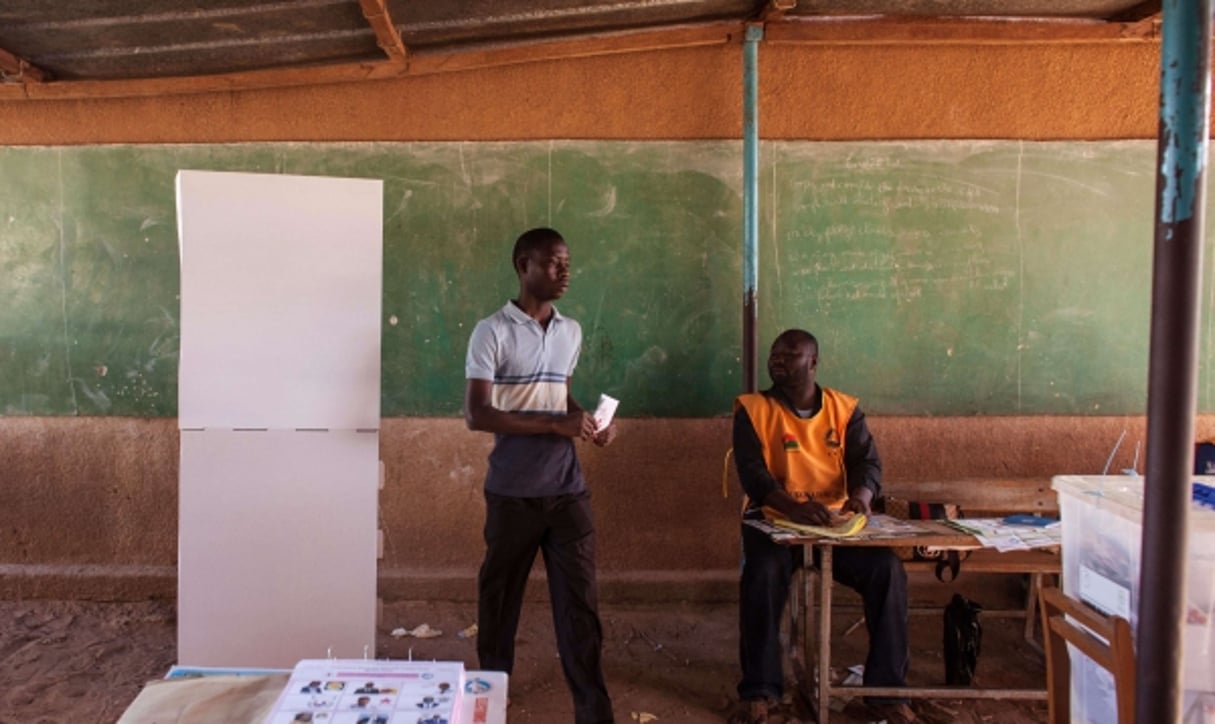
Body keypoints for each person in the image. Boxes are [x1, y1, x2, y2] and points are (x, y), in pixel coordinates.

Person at [464, 227, 617, 724]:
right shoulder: (492, 331)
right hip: (512, 492)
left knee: (580, 606)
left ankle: (593, 711)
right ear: (523, 265)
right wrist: (557, 423)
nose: (564, 271)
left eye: (567, 262)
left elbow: (561, 396)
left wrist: (587, 424)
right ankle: (491, 702)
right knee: (500, 600)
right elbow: (478, 415)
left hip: (566, 490)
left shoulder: (570, 331)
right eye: (553, 262)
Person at [731, 329, 910, 724]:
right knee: (762, 575)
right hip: (773, 520)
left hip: (832, 523)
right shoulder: (752, 409)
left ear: (813, 363)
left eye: (790, 355)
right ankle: (760, 690)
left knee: (888, 571)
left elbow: (869, 464)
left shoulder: (844, 410)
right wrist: (791, 508)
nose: (778, 360)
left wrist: (861, 499)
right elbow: (754, 474)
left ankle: (886, 693)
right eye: (775, 354)